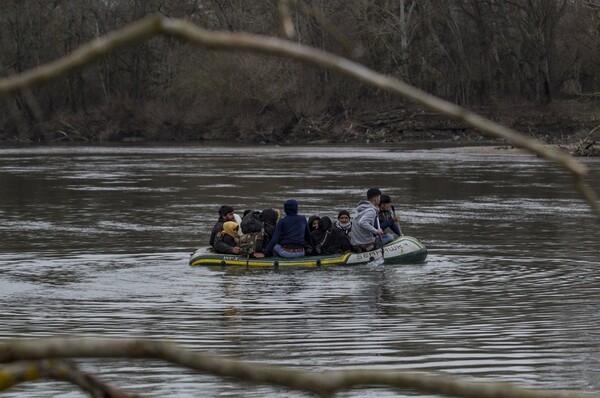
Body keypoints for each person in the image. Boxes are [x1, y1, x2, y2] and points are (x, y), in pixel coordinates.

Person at [350, 188, 384, 252]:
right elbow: (362, 222)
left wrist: (375, 209)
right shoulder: (371, 210)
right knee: (389, 237)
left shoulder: (359, 208)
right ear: (375, 199)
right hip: (365, 245)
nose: (380, 199)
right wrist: (377, 231)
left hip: (354, 244)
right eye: (379, 197)